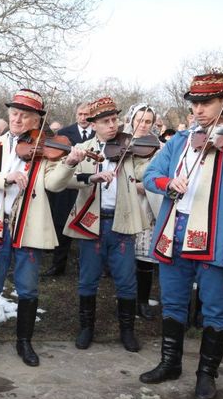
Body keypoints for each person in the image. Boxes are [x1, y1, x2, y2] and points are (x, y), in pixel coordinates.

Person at [140, 72, 223, 399]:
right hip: (175, 235)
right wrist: (167, 183)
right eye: (195, 104)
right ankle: (170, 364)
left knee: (216, 308)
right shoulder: (180, 141)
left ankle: (207, 375)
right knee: (174, 301)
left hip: (214, 240)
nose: (199, 110)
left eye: (206, 103)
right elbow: (150, 174)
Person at [0, 89, 84, 366]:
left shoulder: (45, 151)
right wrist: (5, 176)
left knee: (29, 289)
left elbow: (54, 184)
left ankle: (25, 343)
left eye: (25, 115)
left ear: (36, 121)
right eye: (15, 113)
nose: (18, 119)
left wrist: (68, 163)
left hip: (29, 227)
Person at [63, 97, 154, 353]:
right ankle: (86, 328)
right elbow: (65, 180)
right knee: (88, 279)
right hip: (92, 222)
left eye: (115, 119)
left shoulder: (129, 146)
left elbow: (147, 168)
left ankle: (127, 331)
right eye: (106, 121)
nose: (113, 125)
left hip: (121, 221)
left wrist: (150, 163)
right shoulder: (82, 148)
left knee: (126, 279)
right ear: (93, 124)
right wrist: (85, 173)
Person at [43, 102, 94, 277]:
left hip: (88, 186)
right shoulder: (64, 133)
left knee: (87, 225)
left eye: (87, 114)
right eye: (80, 114)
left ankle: (86, 265)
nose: (84, 117)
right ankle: (58, 264)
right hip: (67, 187)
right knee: (61, 224)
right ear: (76, 114)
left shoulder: (98, 135)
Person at [123, 103, 163, 321]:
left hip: (147, 202)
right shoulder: (120, 142)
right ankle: (126, 299)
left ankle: (143, 300)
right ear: (131, 119)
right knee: (124, 255)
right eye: (139, 120)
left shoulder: (159, 146)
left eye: (148, 121)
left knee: (145, 256)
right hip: (124, 201)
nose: (143, 125)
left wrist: (146, 185)